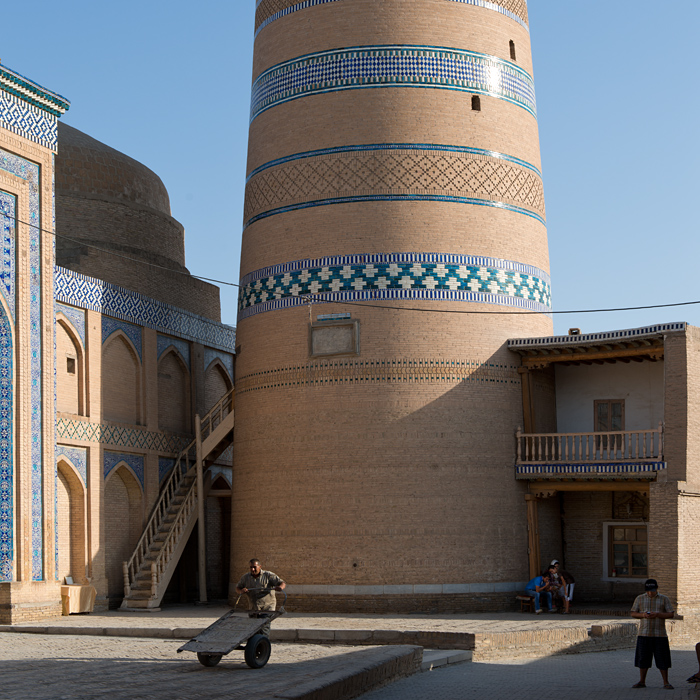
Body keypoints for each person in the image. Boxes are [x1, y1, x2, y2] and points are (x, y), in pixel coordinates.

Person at [630, 578, 675, 690]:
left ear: (657, 589)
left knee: (663, 659)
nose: (650, 593)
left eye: (652, 590)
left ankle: (666, 682)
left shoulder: (664, 599)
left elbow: (671, 614)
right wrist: (643, 615)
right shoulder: (639, 598)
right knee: (643, 659)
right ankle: (642, 681)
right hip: (644, 634)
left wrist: (658, 614)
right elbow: (633, 613)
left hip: (659, 634)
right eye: (648, 590)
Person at [235, 559, 286, 636]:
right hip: (253, 608)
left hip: (267, 608)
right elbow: (238, 588)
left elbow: (282, 583)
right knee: (252, 630)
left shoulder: (268, 575)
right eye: (251, 567)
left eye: (255, 567)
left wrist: (280, 587)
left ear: (260, 566)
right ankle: (253, 646)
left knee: (264, 628)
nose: (252, 569)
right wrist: (241, 591)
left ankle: (263, 645)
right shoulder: (246, 577)